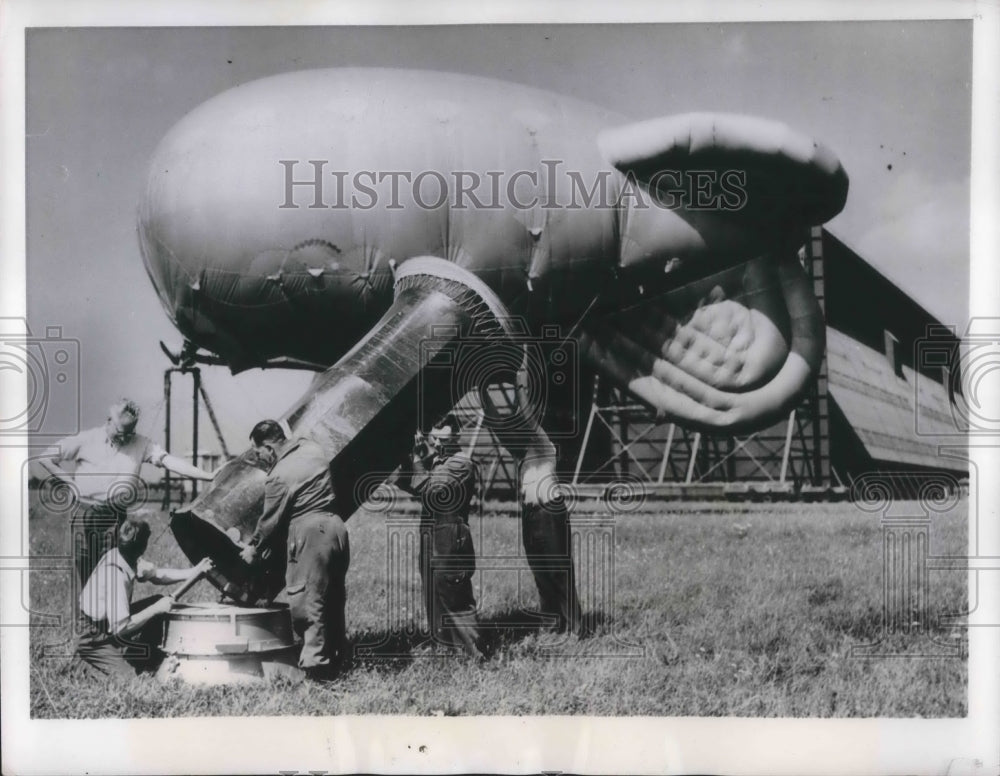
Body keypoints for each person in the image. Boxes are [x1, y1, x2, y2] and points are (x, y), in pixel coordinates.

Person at [40, 398, 216, 584]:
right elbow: (46, 458)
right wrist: (71, 485)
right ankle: (85, 613)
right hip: (84, 514)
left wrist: (208, 475)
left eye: (129, 433)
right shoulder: (86, 439)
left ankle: (119, 613)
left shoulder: (141, 444)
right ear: (109, 421)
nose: (125, 438)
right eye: (120, 432)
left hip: (115, 517)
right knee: (85, 577)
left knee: (116, 575)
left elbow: (169, 461)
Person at [238, 420, 350, 682]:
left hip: (310, 533)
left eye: (259, 454)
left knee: (307, 602)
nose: (261, 460)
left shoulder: (278, 475)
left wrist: (253, 548)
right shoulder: (312, 449)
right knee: (333, 597)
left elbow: (270, 521)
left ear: (268, 447)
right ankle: (338, 659)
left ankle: (317, 673)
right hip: (335, 528)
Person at [75, 517, 213, 678]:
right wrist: (156, 609)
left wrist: (193, 572)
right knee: (131, 681)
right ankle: (89, 662)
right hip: (93, 636)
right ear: (143, 547)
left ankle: (142, 658)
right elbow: (120, 628)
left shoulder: (124, 555)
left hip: (107, 625)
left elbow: (158, 575)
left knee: (157, 601)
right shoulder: (116, 575)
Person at [396, 414, 484, 658]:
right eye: (432, 432)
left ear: (456, 435)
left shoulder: (460, 463)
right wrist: (406, 458)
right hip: (432, 532)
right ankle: (445, 646)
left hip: (450, 532)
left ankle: (472, 651)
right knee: (434, 592)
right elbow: (411, 482)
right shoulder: (438, 462)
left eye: (440, 432)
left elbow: (434, 490)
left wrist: (417, 458)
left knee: (453, 595)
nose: (434, 438)